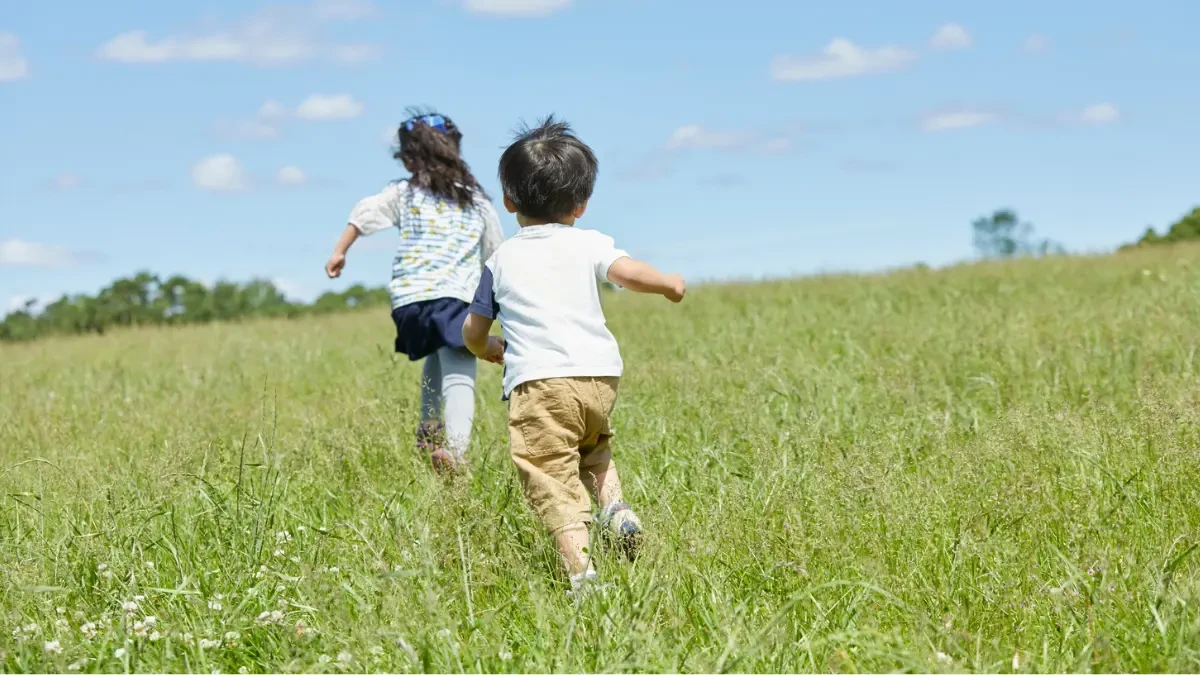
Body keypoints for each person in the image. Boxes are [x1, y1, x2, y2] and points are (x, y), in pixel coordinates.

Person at [462, 116, 686, 593]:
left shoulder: (500, 260)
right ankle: (616, 509)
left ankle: (584, 579)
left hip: (540, 383)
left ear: (508, 201)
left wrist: (487, 348)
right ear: (581, 205)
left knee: (550, 475)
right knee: (594, 450)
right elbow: (626, 272)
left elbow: (474, 329)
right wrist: (666, 282)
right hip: (599, 379)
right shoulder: (589, 243)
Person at [326, 110, 503, 474]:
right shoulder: (475, 201)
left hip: (410, 301)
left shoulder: (403, 194)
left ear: (408, 158)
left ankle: (429, 430)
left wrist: (340, 250)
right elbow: (496, 253)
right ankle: (456, 452)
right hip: (453, 293)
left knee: (436, 356)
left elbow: (365, 214)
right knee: (460, 367)